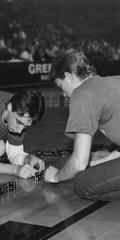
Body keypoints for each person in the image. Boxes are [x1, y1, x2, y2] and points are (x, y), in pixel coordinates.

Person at [44, 49, 120, 201]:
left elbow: (79, 163)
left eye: (61, 87)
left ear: (68, 76)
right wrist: (101, 162)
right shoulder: (113, 80)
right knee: (101, 160)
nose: (64, 94)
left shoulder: (82, 94)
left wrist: (56, 177)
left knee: (83, 184)